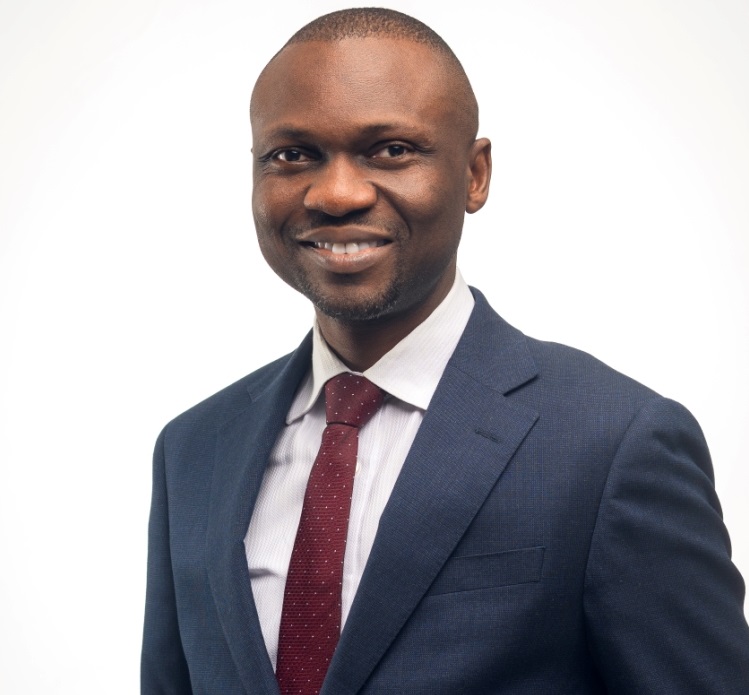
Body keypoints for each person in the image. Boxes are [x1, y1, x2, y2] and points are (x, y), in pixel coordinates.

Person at [141, 8, 749, 694]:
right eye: (293, 155)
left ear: (475, 174)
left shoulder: (613, 445)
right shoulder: (193, 450)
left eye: (391, 150)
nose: (336, 193)